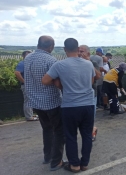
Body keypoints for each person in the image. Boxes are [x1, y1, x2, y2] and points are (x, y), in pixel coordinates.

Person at [42, 38, 97, 173]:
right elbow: (90, 82)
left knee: (71, 136)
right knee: (87, 135)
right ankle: (84, 163)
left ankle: (74, 165)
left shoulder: (59, 65)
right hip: (88, 104)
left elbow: (45, 80)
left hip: (70, 105)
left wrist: (60, 85)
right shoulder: (88, 64)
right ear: (78, 49)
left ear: (65, 49)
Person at [24, 35, 65, 171]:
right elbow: (57, 82)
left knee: (47, 129)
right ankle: (56, 161)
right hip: (51, 101)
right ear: (51, 47)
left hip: (35, 102)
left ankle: (47, 156)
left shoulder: (28, 57)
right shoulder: (51, 60)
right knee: (59, 131)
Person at [79, 45, 101, 141]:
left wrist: (88, 62)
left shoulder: (93, 62)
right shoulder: (75, 62)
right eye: (78, 51)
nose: (80, 53)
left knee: (90, 116)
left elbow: (98, 76)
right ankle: (91, 130)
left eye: (82, 51)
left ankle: (91, 131)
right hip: (79, 94)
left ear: (88, 53)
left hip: (91, 93)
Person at [14, 50, 38, 121]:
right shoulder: (22, 63)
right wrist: (25, 82)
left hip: (30, 85)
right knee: (28, 100)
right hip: (26, 86)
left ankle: (30, 114)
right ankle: (29, 117)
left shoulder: (29, 63)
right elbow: (17, 73)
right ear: (23, 56)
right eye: (28, 55)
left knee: (30, 100)